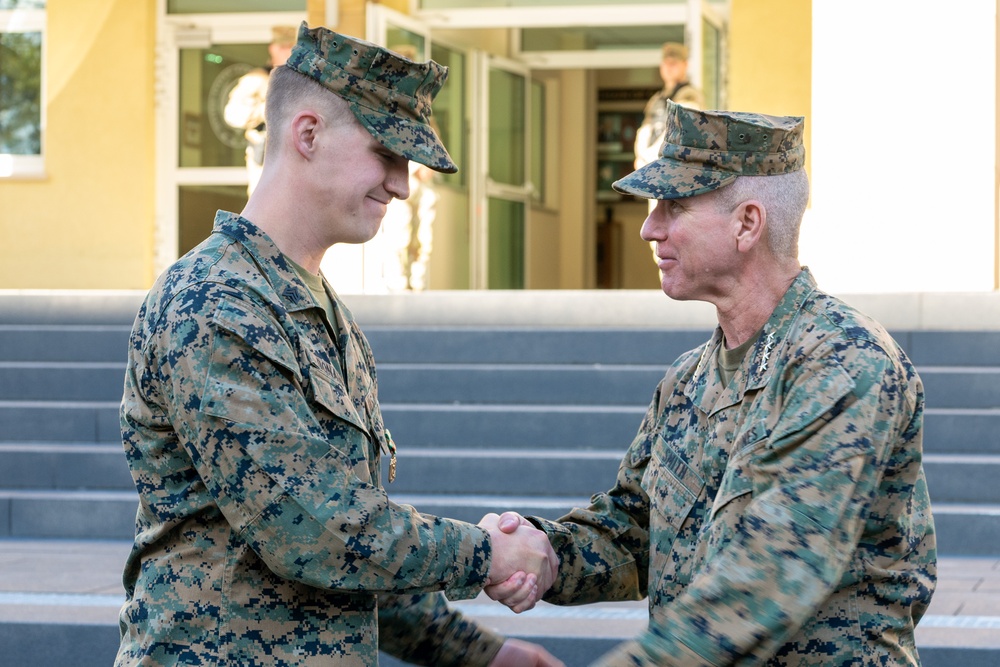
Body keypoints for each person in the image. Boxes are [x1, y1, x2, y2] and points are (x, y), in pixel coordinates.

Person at [116, 22, 562, 667]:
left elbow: (353, 541)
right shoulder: (215, 303)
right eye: (387, 154)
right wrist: (488, 553)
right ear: (307, 134)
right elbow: (315, 530)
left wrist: (480, 654)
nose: (403, 185)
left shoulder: (319, 309)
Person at [488, 102, 937, 665]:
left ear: (747, 223)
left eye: (673, 207)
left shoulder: (844, 361)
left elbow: (779, 566)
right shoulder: (686, 380)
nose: (650, 229)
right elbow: (635, 534)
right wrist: (537, 552)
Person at [223, 25, 296, 195]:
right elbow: (232, 114)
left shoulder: (302, 79)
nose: (287, 52)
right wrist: (266, 110)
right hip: (266, 162)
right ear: (272, 48)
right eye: (282, 47)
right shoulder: (258, 79)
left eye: (291, 47)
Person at [633, 42, 703, 173]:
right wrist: (641, 156)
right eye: (666, 63)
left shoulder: (689, 95)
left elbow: (678, 129)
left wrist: (649, 158)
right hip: (652, 166)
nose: (669, 68)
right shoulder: (657, 99)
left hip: (676, 167)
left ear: (685, 65)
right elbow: (645, 130)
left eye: (674, 63)